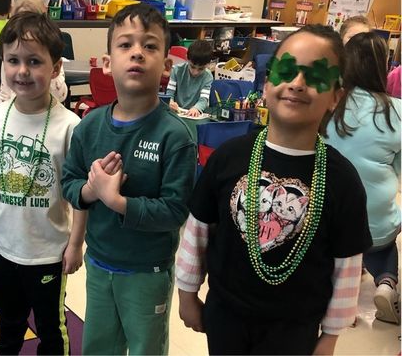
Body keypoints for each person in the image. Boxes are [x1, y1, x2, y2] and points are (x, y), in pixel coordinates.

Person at [176, 25, 371, 355]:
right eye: (286, 70)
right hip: (226, 315)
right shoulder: (229, 157)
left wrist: (331, 336)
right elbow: (198, 230)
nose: (297, 83)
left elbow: (347, 268)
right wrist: (186, 293)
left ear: (336, 96)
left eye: (316, 75)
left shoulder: (343, 181)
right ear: (266, 84)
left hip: (294, 328)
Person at [61, 3, 197, 355]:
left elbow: (174, 211)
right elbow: (69, 183)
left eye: (150, 46)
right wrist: (91, 190)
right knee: (99, 346)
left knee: (144, 348)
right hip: (100, 263)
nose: (137, 52)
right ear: (107, 64)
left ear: (166, 67)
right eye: (125, 45)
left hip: (147, 271)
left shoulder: (175, 136)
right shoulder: (89, 126)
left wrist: (117, 201)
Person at [0, 12, 85, 355]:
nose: (22, 71)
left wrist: (76, 244)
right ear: (2, 62)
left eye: (34, 61)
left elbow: (79, 195)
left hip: (49, 252)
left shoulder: (70, 126)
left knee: (51, 329)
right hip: (4, 247)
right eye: (13, 60)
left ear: (55, 67)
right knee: (8, 323)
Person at [325, 31, 401, 325]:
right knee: (384, 230)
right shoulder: (396, 111)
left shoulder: (331, 105)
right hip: (375, 223)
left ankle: (334, 291)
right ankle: (385, 281)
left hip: (328, 219)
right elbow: (397, 172)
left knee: (340, 237)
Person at [0, 0, 68, 106]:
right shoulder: (9, 58)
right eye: (19, 20)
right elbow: (4, 93)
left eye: (34, 61)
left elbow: (61, 94)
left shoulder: (51, 58)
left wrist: (50, 78)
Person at [166, 39, 213, 116]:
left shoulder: (208, 76)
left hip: (194, 113)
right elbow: (169, 94)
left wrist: (196, 108)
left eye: (201, 69)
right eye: (192, 66)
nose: (195, 72)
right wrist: (170, 102)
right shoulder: (176, 70)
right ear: (186, 58)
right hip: (176, 112)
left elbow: (203, 100)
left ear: (208, 64)